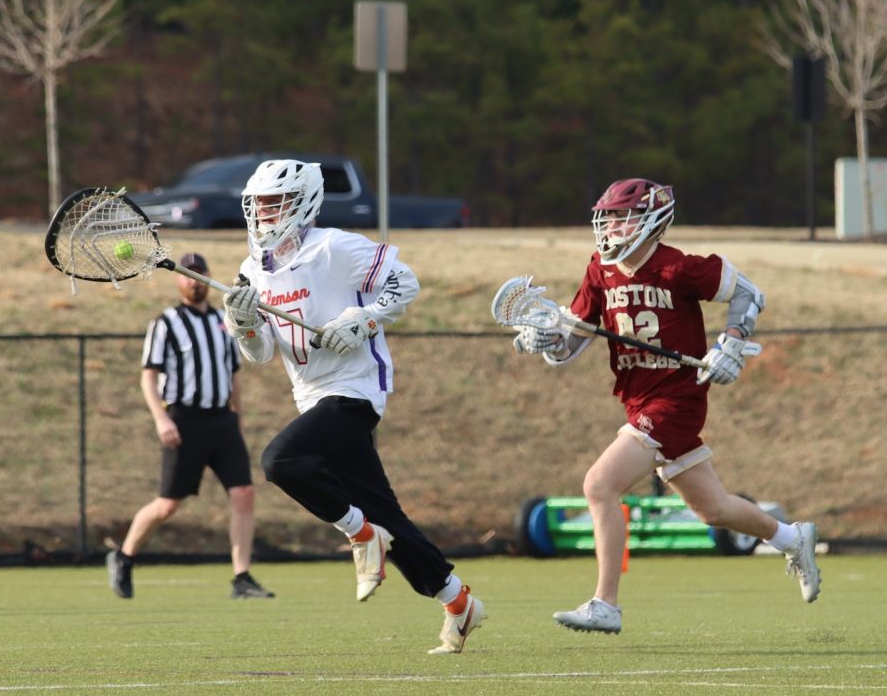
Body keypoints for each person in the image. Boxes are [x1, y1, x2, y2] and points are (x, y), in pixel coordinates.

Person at [511, 177, 820, 633]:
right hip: (637, 400)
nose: (611, 229)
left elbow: (749, 294)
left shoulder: (679, 268)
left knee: (599, 485)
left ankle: (606, 604)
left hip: (676, 399)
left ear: (649, 220)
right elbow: (571, 345)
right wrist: (546, 339)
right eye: (607, 219)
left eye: (620, 218)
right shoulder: (600, 269)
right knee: (712, 510)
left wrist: (730, 343)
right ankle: (794, 539)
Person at [220, 159, 484, 655]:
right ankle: (458, 601)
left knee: (281, 461)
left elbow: (405, 283)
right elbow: (259, 355)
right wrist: (244, 325)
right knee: (389, 514)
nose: (262, 214)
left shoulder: (335, 246)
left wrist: (361, 319)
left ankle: (360, 534)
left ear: (302, 202)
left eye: (272, 203)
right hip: (311, 395)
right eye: (256, 205)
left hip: (356, 388)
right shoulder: (251, 269)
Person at [107, 253, 274, 601]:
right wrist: (161, 418)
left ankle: (241, 577)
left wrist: (237, 419)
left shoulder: (224, 322)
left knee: (243, 493)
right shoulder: (166, 323)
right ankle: (124, 556)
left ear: (210, 278)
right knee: (168, 504)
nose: (194, 281)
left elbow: (233, 377)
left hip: (222, 421)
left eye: (200, 274)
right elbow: (148, 378)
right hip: (184, 420)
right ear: (178, 281)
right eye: (187, 275)